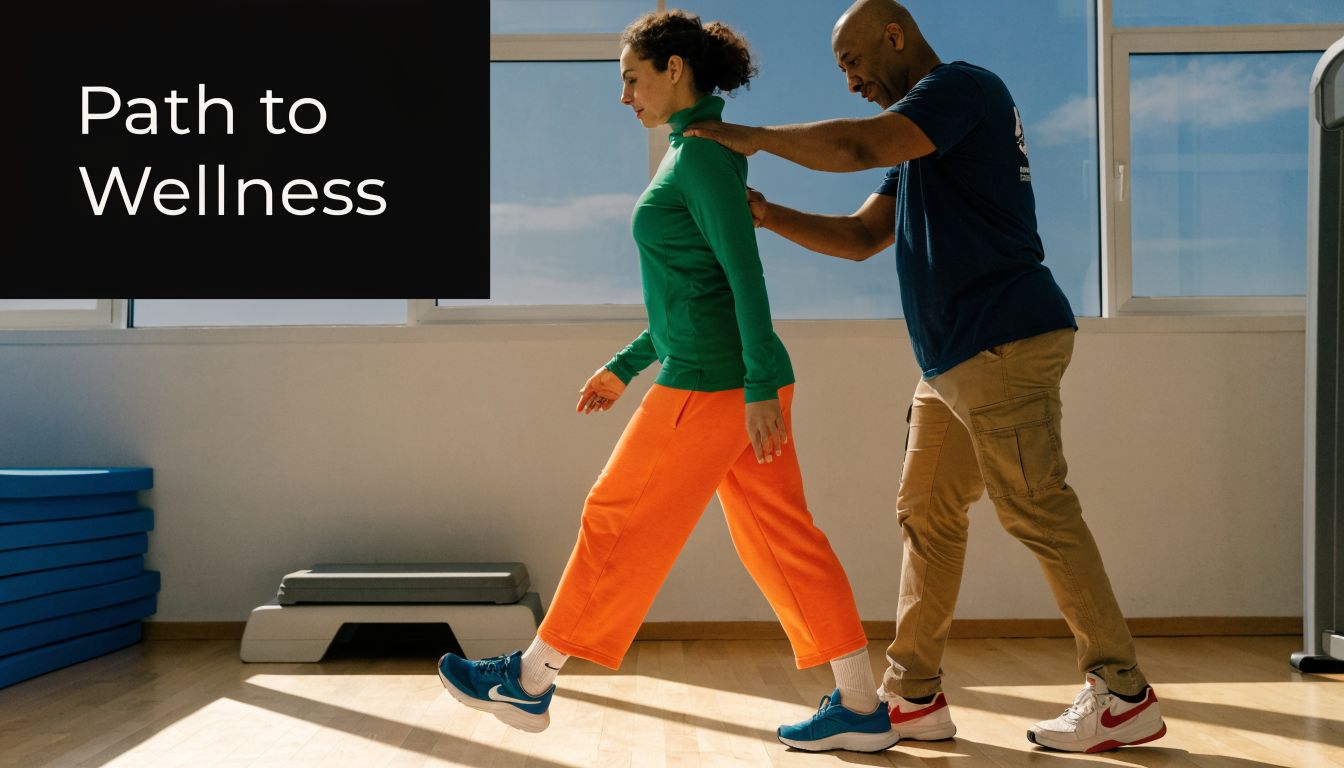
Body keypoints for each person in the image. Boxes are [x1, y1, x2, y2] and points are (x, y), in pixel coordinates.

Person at [682, 0, 1167, 754]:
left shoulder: (958, 91)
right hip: (952, 361)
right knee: (927, 514)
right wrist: (767, 213)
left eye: (852, 62)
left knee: (1038, 507)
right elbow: (860, 237)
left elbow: (853, 146)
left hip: (1002, 338)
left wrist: (751, 138)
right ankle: (912, 697)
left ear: (895, 37)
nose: (850, 82)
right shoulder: (919, 144)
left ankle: (1123, 694)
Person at [437, 9, 902, 754]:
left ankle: (528, 682)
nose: (625, 96)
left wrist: (753, 389)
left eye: (631, 78)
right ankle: (859, 703)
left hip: (715, 386)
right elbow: (692, 292)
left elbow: (743, 273)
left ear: (673, 70)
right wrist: (625, 366)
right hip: (727, 378)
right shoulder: (691, 153)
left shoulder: (705, 158)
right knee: (782, 543)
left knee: (614, 515)